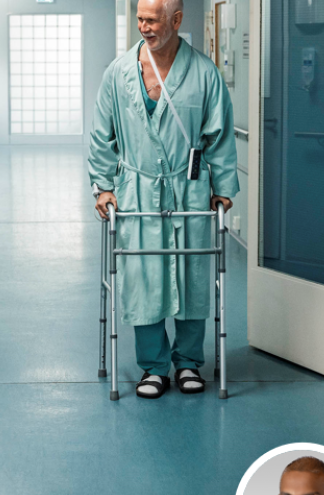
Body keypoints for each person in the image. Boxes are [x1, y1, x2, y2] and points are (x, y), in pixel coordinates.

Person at [88, 0, 238, 399]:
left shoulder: (204, 73)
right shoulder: (118, 73)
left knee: (191, 275)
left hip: (188, 188)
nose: (144, 27)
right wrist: (103, 186)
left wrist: (222, 187)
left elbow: (219, 136)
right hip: (137, 189)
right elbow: (101, 134)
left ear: (176, 20)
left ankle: (188, 362)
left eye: (152, 20)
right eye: (140, 19)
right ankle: (153, 367)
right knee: (143, 278)